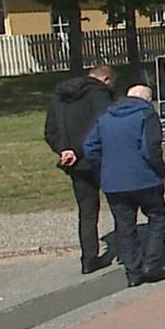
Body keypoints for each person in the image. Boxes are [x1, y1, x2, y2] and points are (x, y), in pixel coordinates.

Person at [83, 83, 165, 286]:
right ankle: (151, 264)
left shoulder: (106, 116)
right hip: (145, 178)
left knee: (125, 227)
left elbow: (90, 148)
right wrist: (160, 170)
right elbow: (151, 149)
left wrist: (104, 168)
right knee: (157, 218)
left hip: (114, 181)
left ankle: (133, 272)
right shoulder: (147, 115)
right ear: (147, 99)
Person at [43, 63, 116, 274]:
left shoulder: (61, 96)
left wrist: (64, 150)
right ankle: (128, 250)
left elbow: (50, 131)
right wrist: (78, 150)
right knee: (119, 204)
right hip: (100, 158)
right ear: (106, 80)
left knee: (87, 211)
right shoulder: (100, 94)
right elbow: (103, 126)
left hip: (74, 163)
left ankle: (89, 258)